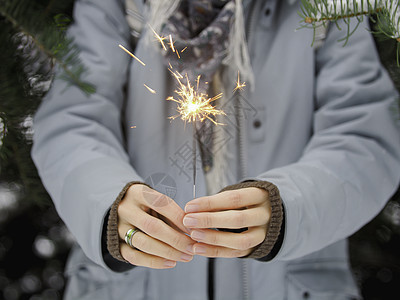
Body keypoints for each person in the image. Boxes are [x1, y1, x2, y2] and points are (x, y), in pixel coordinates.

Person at [32, 0, 400, 299]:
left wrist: (291, 208)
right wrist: (109, 208)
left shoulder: (326, 8)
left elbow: (365, 137)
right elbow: (71, 121)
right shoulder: (116, 6)